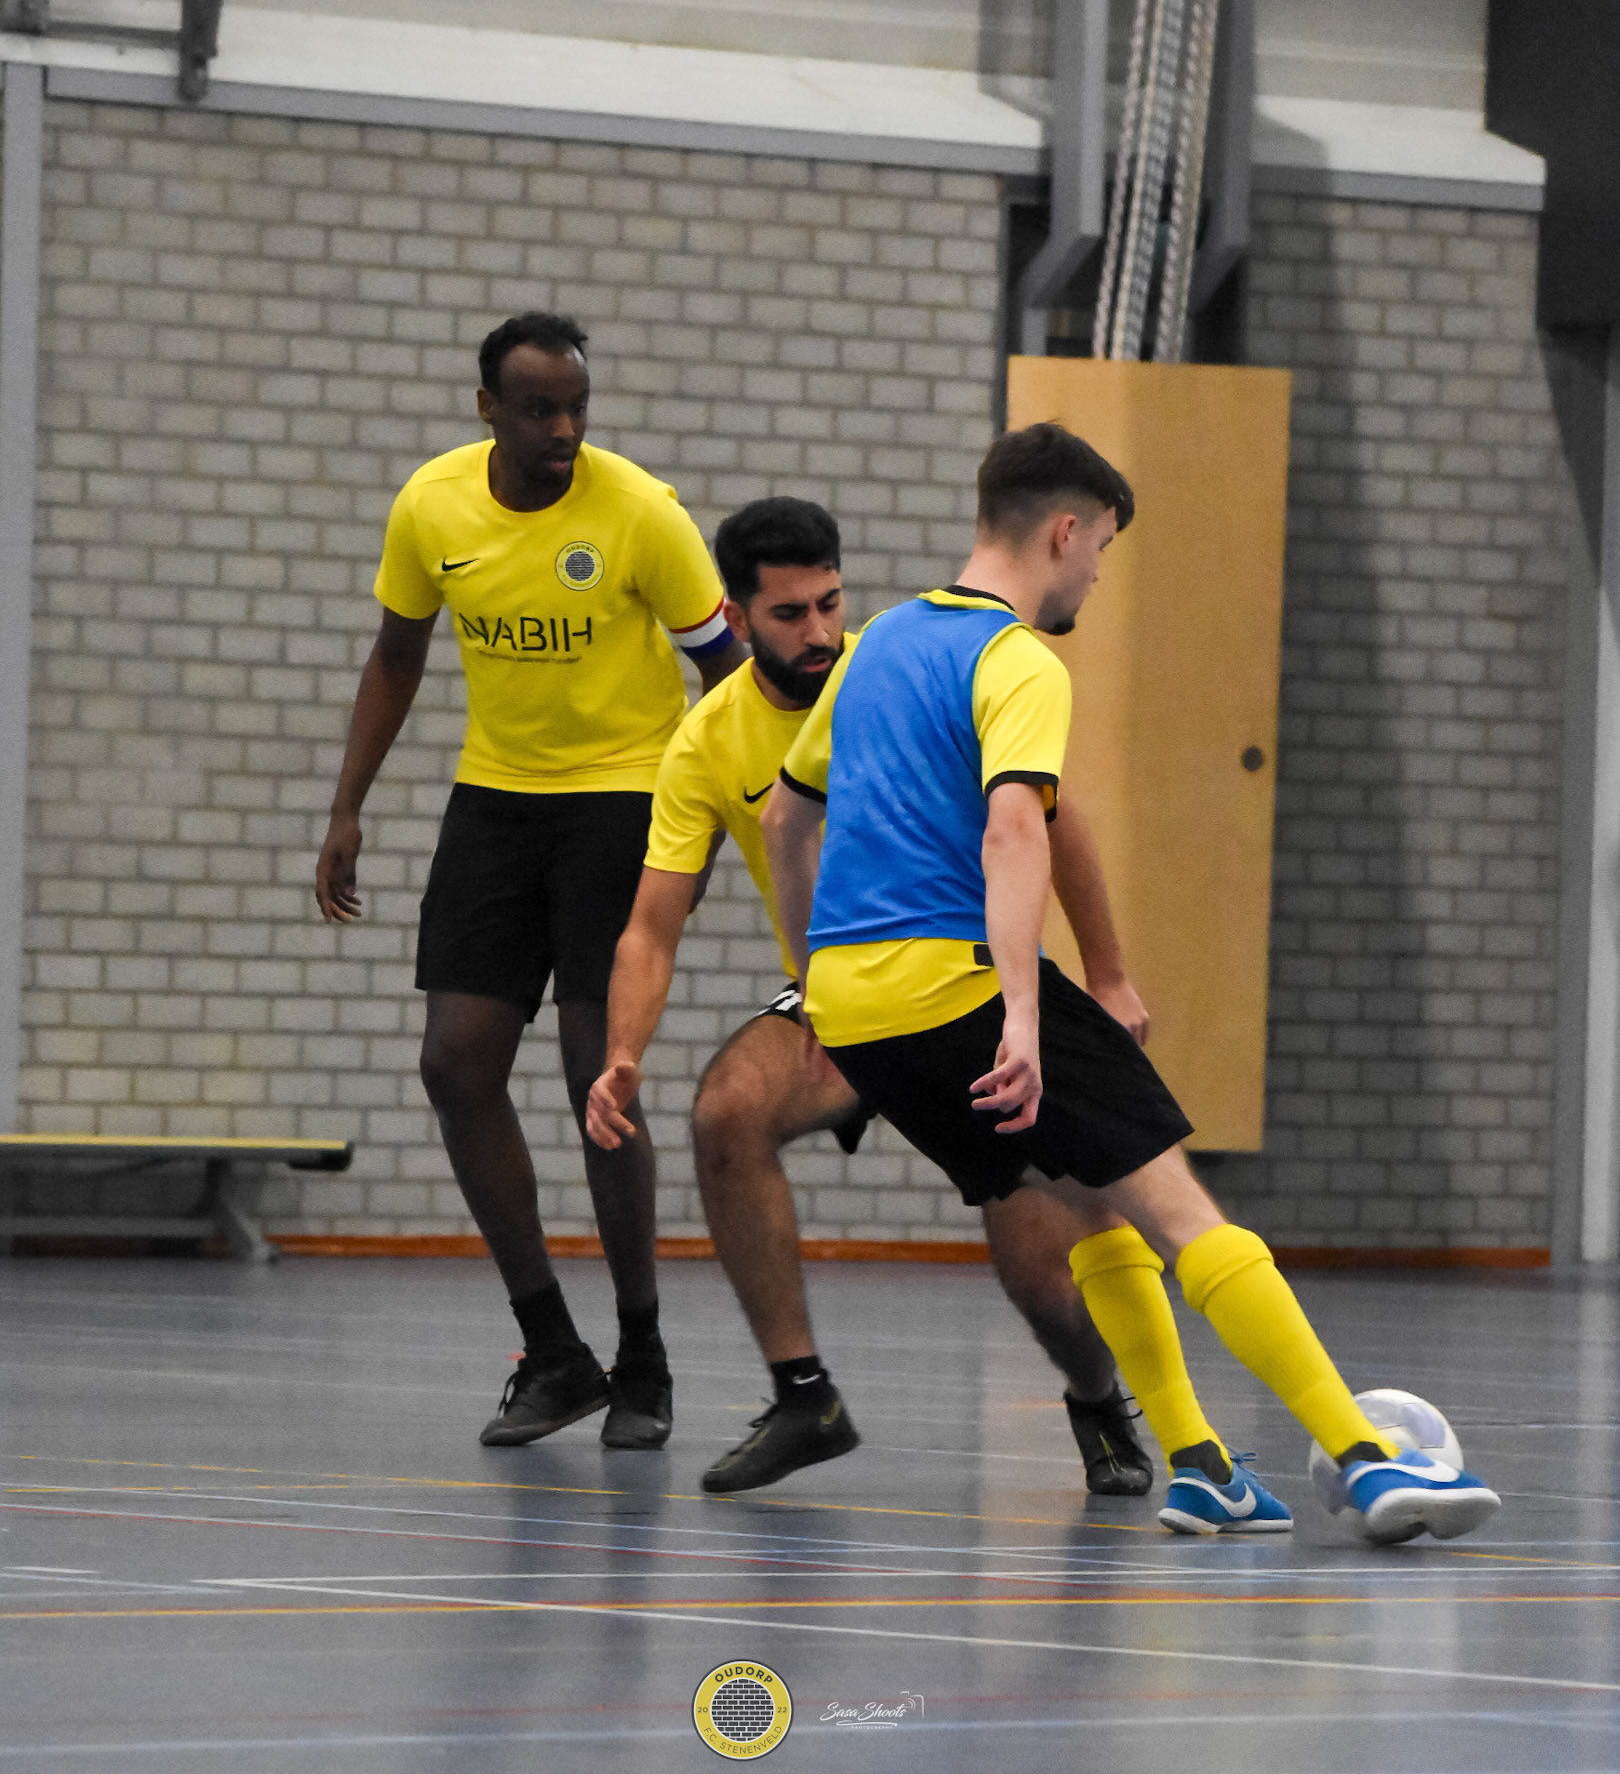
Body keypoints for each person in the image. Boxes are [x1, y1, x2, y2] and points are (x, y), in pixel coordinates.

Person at [761, 422, 1502, 1544]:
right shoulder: (1015, 660)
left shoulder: (876, 647)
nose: (1099, 573)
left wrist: (810, 973)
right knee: (1181, 1209)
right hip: (959, 985)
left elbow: (785, 820)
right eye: (1103, 546)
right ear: (1065, 531)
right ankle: (1370, 1459)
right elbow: (1017, 831)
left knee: (1087, 1200)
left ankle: (1202, 1466)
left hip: (860, 1012)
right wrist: (1021, 1014)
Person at [588, 495, 1242, 1510]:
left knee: (1045, 1270)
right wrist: (624, 1050)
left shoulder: (898, 674)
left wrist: (1108, 974)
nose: (818, 632)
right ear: (738, 618)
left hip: (960, 998)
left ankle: (1097, 1395)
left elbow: (1054, 825)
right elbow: (649, 925)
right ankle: (803, 1394)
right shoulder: (707, 740)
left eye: (830, 604)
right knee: (727, 1108)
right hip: (840, 1007)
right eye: (790, 614)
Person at [315, 311, 744, 1452]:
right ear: (488, 410)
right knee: (455, 1063)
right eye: (540, 408)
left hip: (625, 798)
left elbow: (733, 682)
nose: (563, 429)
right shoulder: (432, 506)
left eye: (577, 408)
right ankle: (553, 1350)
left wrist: (699, 832)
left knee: (598, 1083)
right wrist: (348, 805)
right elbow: (396, 653)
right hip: (497, 800)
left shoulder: (641, 513)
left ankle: (643, 1356)